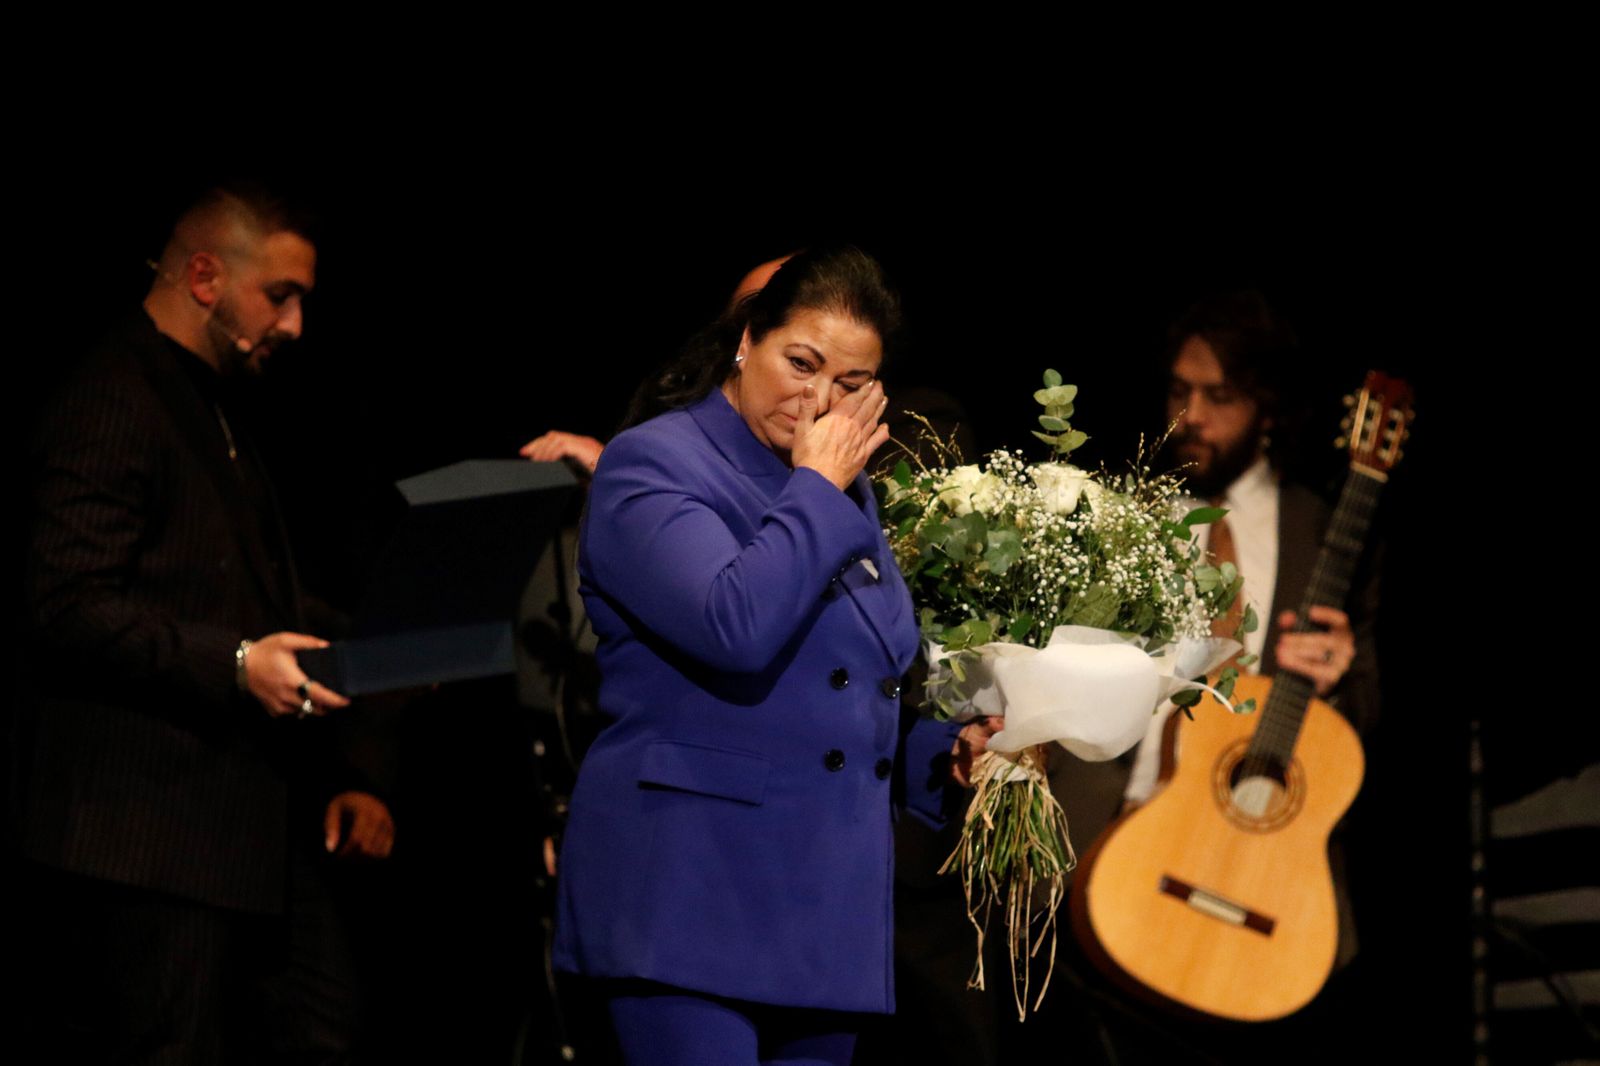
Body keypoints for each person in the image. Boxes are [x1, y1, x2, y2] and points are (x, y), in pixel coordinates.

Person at [551, 246, 996, 1065]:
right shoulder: (656, 463)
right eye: (801, 363)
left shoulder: (844, 486)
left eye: (852, 383)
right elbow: (734, 622)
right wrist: (817, 487)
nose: (819, 399)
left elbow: (853, 679)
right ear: (747, 339)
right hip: (690, 893)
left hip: (824, 910)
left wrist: (948, 750)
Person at [15, 183, 394, 1063]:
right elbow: (66, 602)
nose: (295, 325)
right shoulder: (116, 395)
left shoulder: (213, 403)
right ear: (203, 277)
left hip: (238, 832)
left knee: (323, 1026)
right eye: (279, 295)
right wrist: (235, 661)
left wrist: (385, 652)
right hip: (146, 837)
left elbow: (244, 596)